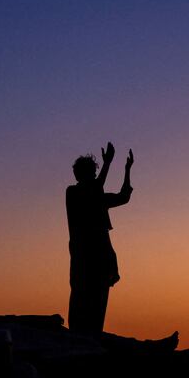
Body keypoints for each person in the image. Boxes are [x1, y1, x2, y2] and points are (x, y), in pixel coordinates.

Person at [66, 142, 133, 334]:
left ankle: (92, 339)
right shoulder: (73, 193)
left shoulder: (97, 198)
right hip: (84, 259)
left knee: (98, 305)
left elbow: (123, 197)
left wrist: (127, 170)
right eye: (92, 173)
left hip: (102, 260)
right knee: (81, 302)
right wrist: (108, 163)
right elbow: (93, 190)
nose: (95, 177)